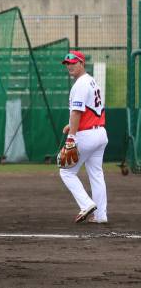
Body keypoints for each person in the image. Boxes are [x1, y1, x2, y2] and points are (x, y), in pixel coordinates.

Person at [59, 50, 108, 224]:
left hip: (86, 136)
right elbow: (90, 110)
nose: (70, 66)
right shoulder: (92, 81)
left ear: (82, 63)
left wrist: (71, 137)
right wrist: (70, 125)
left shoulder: (79, 85)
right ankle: (101, 215)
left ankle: (86, 204)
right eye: (67, 64)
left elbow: (78, 112)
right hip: (100, 132)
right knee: (96, 174)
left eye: (73, 62)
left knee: (66, 172)